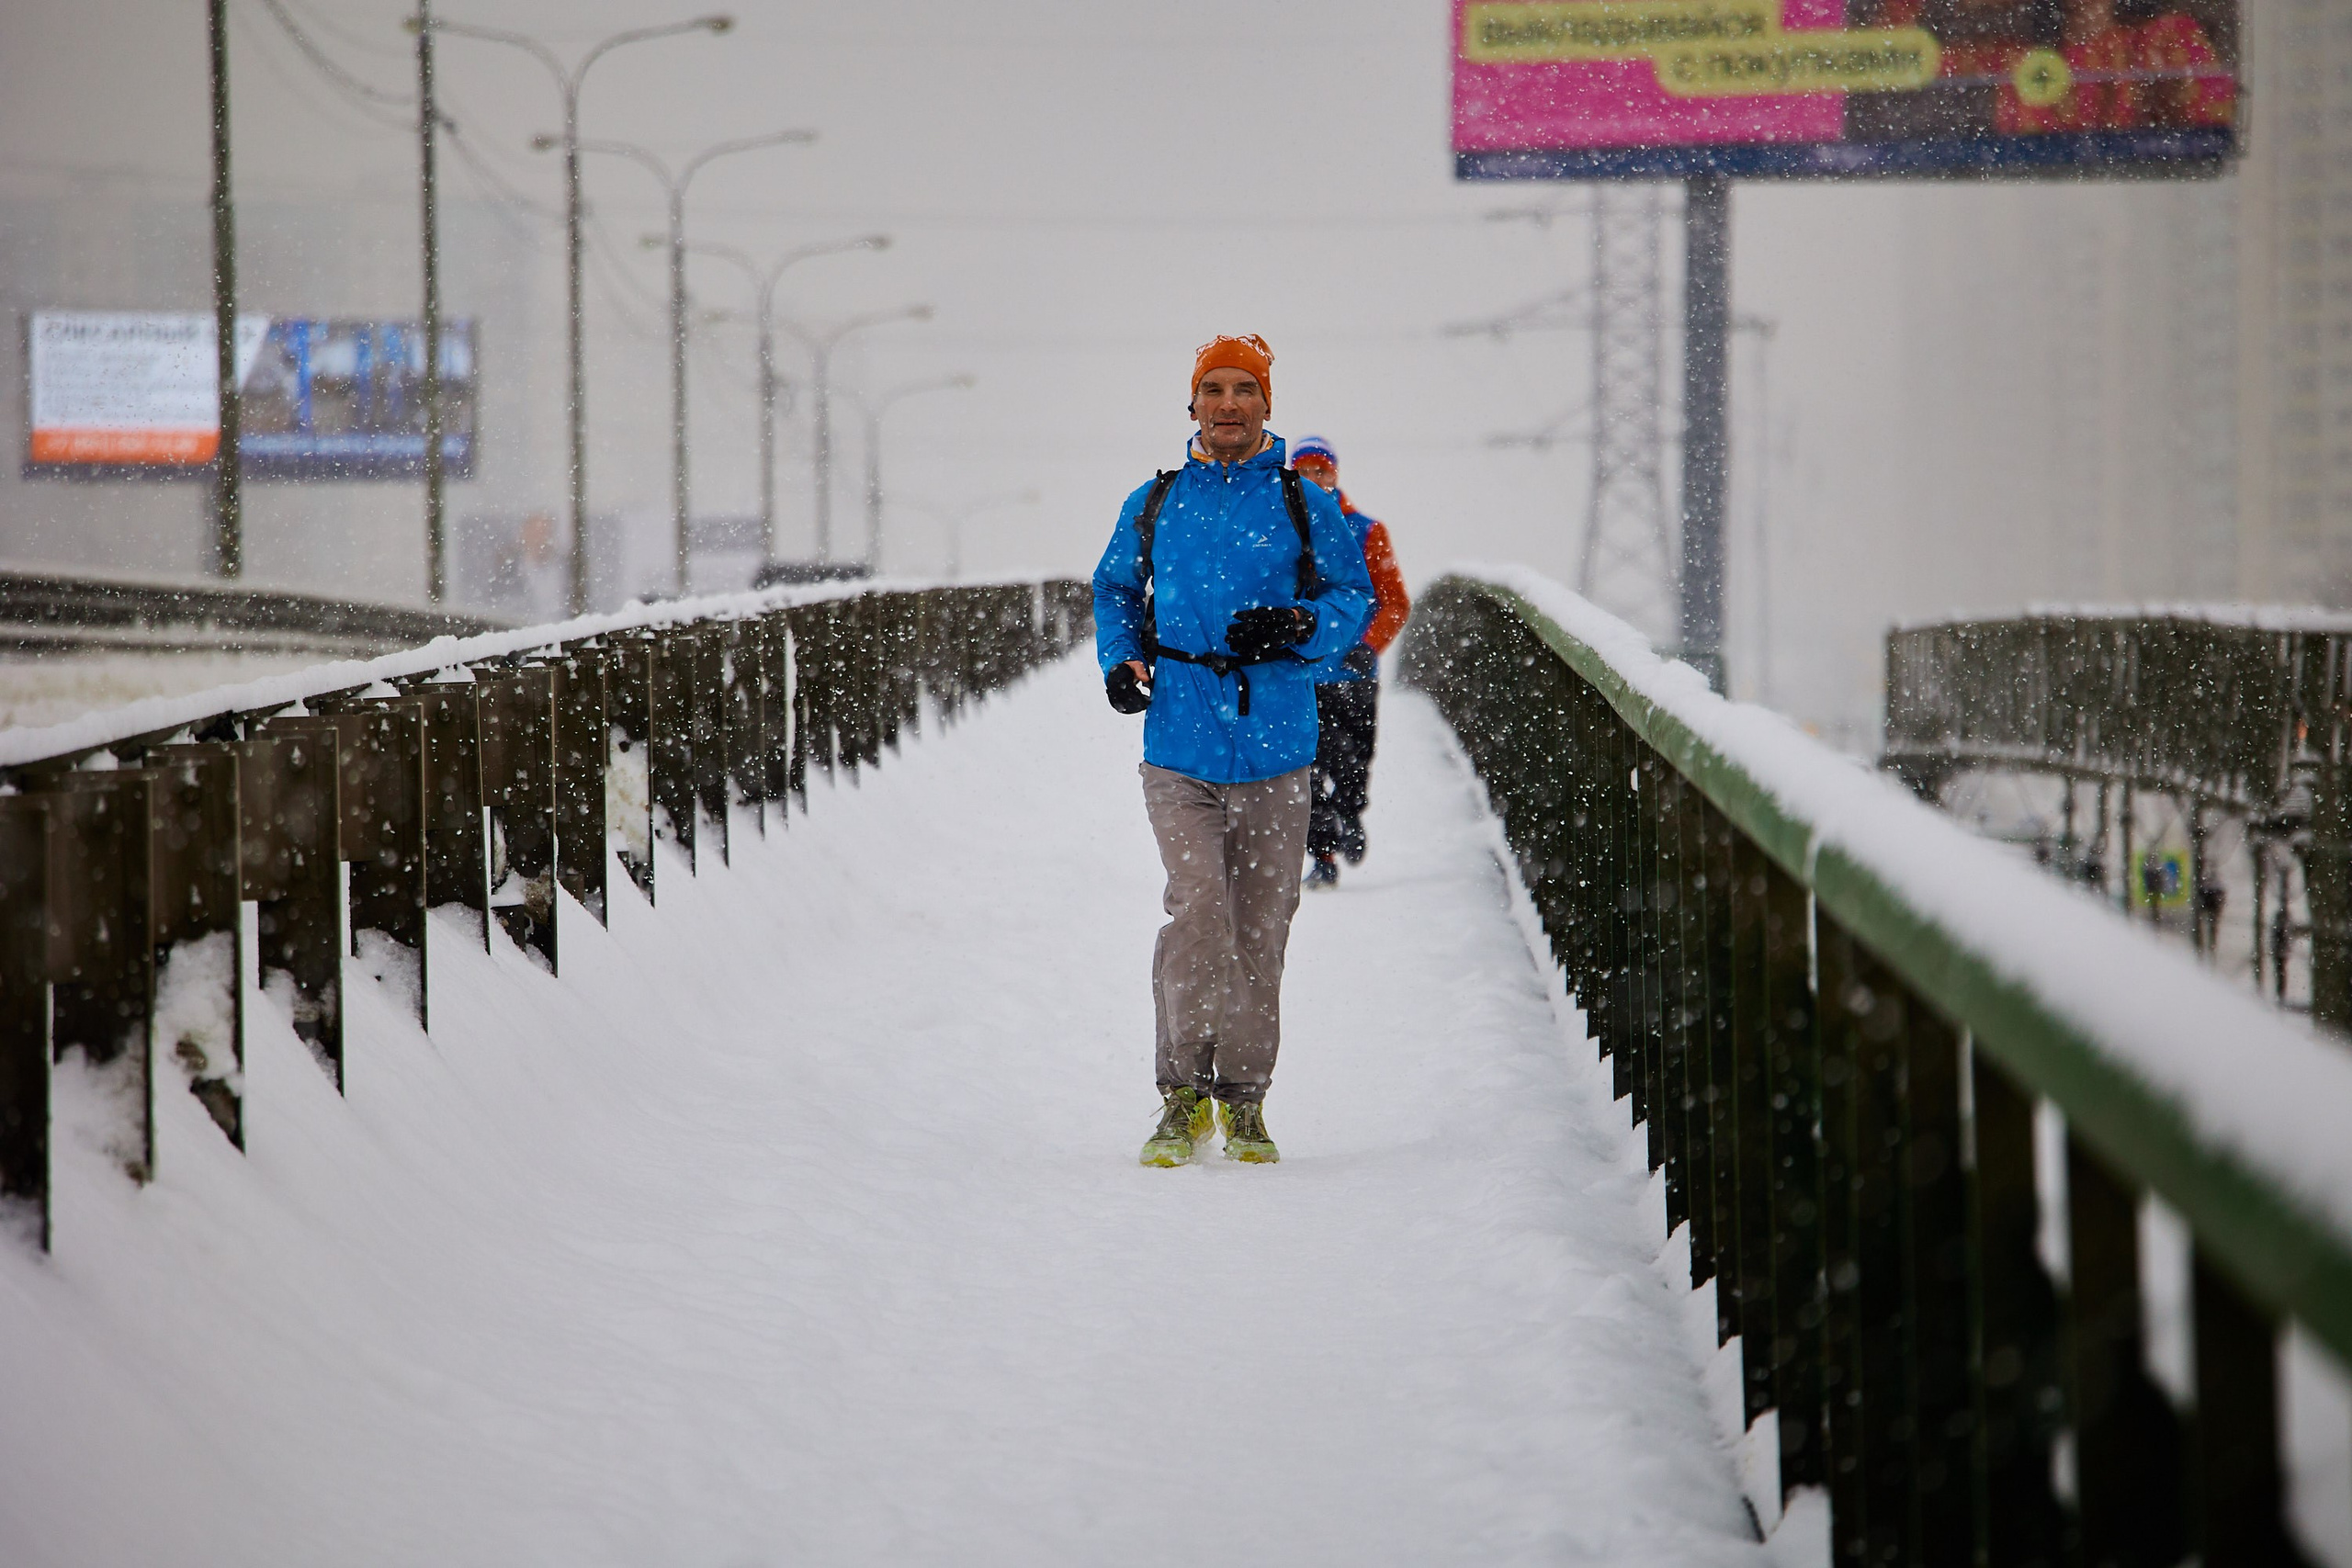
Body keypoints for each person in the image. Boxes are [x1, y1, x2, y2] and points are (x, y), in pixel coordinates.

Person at [1093, 335, 1374, 1168]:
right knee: (1198, 912)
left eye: (1243, 390)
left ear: (1266, 405)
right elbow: (1113, 588)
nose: (1227, 404)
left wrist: (1298, 626)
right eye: (1212, 389)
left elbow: (1352, 596)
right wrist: (1120, 658)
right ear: (1192, 406)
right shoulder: (1156, 500)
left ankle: (1244, 1100)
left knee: (1260, 924)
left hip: (1279, 746)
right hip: (1178, 741)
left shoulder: (1301, 503)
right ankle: (1180, 1096)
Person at [1290, 436, 1410, 889]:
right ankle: (1323, 853)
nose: (1314, 479)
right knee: (1307, 769)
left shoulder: (1365, 530)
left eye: (1321, 471)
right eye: (1303, 471)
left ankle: (1351, 815)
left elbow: (1394, 601)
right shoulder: (1281, 532)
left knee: (1356, 758)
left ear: (1334, 475)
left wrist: (1369, 643)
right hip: (1301, 674)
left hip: (1354, 672)